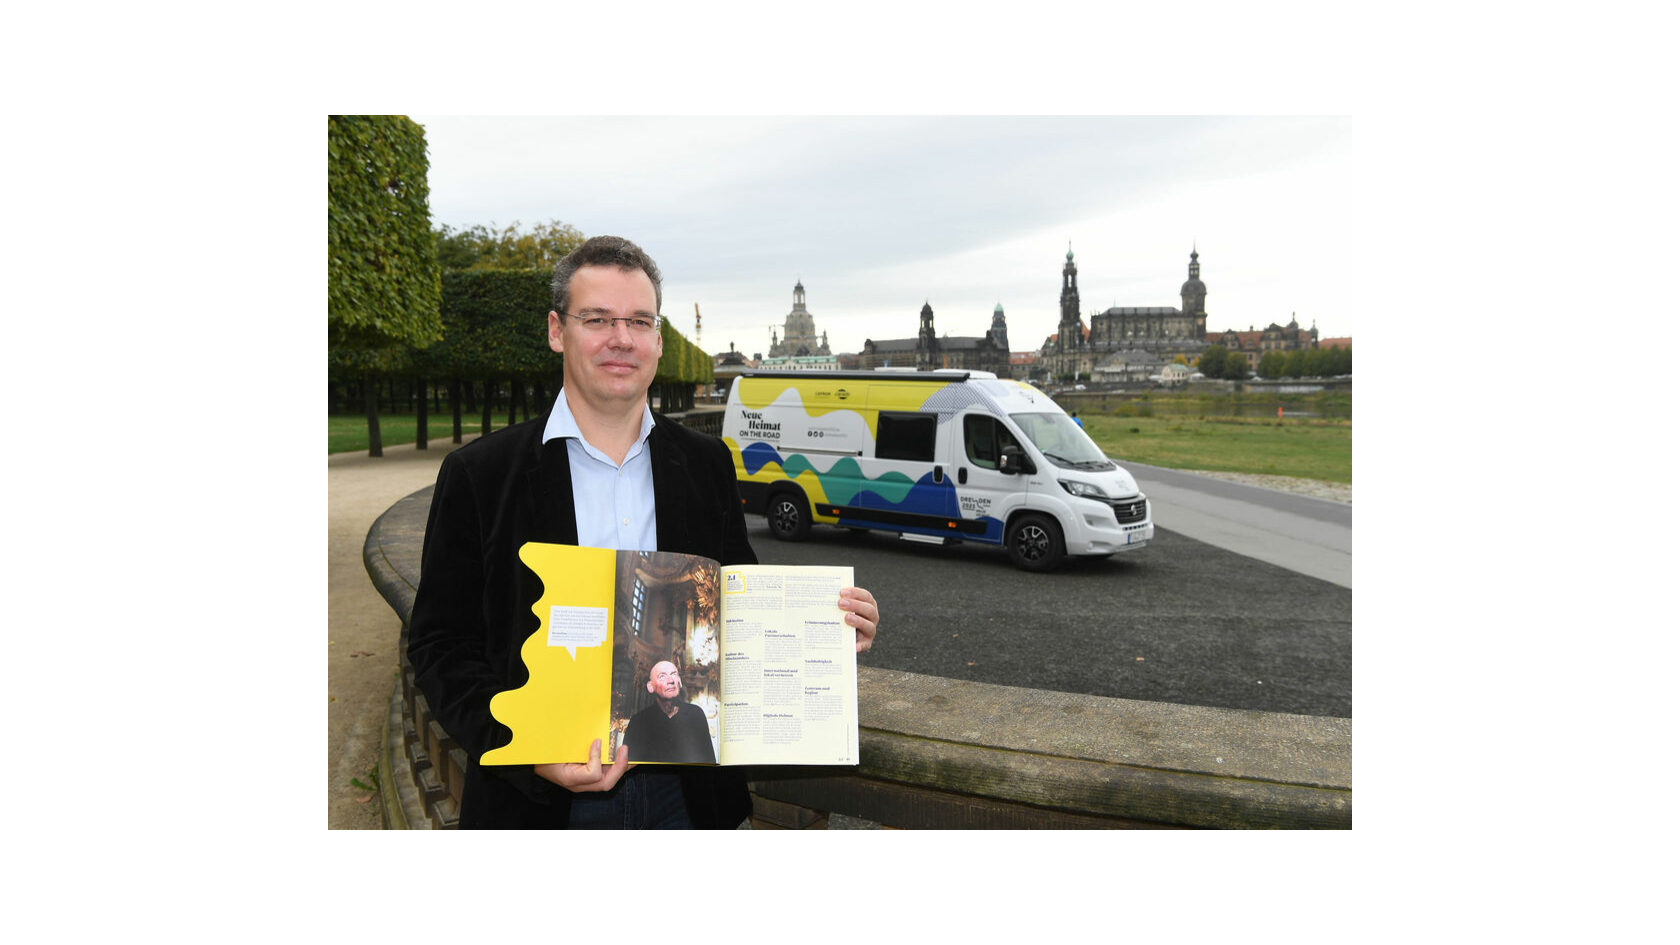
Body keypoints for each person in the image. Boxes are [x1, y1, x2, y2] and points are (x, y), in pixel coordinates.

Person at [406, 235, 879, 829]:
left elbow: (739, 608)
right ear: (557, 331)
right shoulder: (479, 475)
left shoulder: (708, 465)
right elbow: (439, 644)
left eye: (638, 320)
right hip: (539, 805)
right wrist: (524, 748)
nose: (620, 338)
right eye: (597, 318)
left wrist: (829, 627)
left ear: (657, 338)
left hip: (688, 799)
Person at [622, 661, 716, 764]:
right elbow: (630, 767)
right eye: (662, 676)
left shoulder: (696, 714)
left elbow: (709, 762)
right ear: (651, 686)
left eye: (674, 674)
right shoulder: (638, 722)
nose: (671, 680)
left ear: (679, 682)